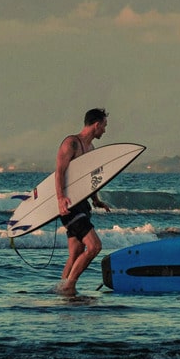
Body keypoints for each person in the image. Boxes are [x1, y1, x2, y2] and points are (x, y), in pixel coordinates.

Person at [55, 108, 112, 294]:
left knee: (76, 252)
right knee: (95, 246)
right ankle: (70, 285)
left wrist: (96, 200)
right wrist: (60, 199)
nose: (104, 130)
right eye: (104, 126)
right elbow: (59, 173)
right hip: (70, 205)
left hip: (83, 204)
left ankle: (61, 289)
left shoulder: (91, 149)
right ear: (96, 125)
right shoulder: (71, 143)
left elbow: (89, 181)